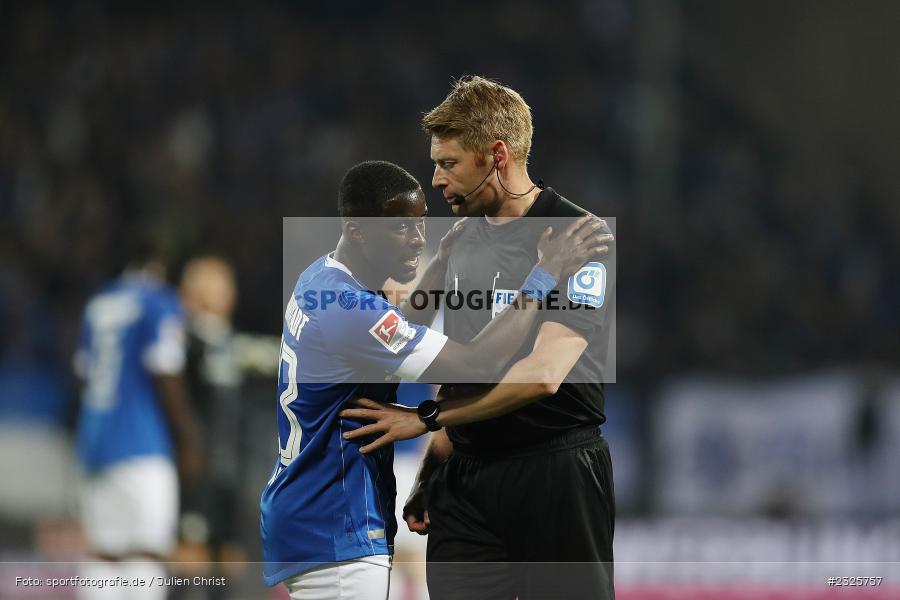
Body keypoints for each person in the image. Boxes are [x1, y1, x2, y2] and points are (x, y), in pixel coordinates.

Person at [259, 160, 608, 600]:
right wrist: (543, 276)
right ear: (358, 230)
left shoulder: (323, 279)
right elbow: (478, 363)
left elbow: (389, 333)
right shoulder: (350, 310)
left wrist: (441, 264)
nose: (418, 239)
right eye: (401, 229)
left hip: (309, 507)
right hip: (335, 519)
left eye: (422, 225)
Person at [340, 76, 618, 599]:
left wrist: (423, 421)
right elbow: (455, 365)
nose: (436, 179)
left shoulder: (579, 236)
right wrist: (434, 468)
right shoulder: (463, 235)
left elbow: (542, 377)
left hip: (555, 475)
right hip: (467, 482)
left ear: (496, 155)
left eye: (448, 164)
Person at [74, 238, 203, 600]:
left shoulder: (98, 302)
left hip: (96, 443)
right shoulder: (157, 300)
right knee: (147, 552)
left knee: (104, 555)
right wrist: (188, 439)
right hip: (141, 445)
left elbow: (83, 372)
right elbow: (165, 371)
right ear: (160, 264)